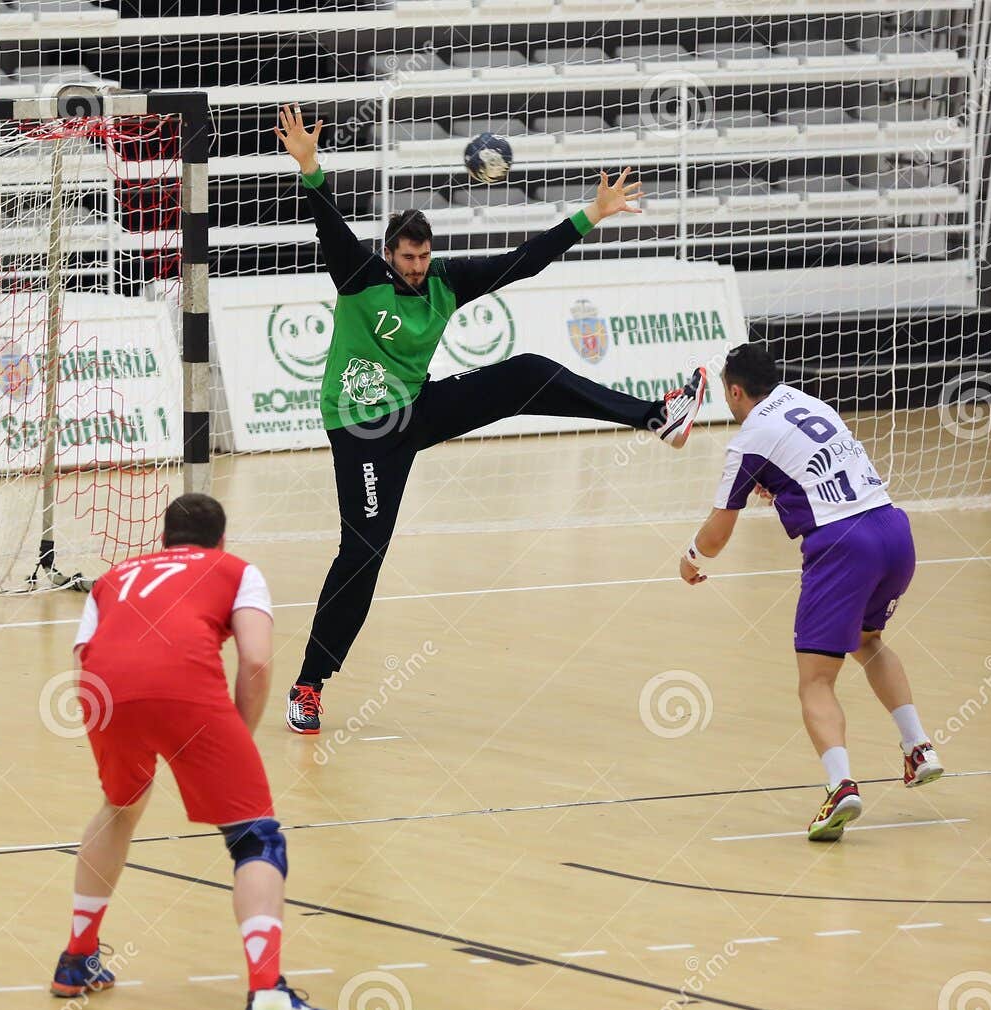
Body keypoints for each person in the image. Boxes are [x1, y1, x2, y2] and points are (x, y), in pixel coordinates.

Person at [272, 104, 707, 735]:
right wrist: (309, 165)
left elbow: (522, 261)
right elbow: (327, 222)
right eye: (407, 258)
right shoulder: (361, 276)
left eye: (423, 257)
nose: (416, 267)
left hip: (415, 411)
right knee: (362, 556)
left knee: (526, 371)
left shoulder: (446, 282)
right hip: (362, 433)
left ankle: (656, 417)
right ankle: (310, 683)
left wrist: (590, 213)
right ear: (389, 253)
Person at [51, 492, 337, 1010]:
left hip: (102, 693)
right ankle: (269, 998)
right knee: (256, 838)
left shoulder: (114, 577)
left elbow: (80, 659)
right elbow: (254, 657)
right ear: (221, 540)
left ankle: (77, 957)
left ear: (162, 541)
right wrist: (237, 737)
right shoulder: (235, 569)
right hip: (183, 691)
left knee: (119, 806)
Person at [678, 342, 944, 842]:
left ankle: (841, 786)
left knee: (816, 679)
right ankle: (919, 747)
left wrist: (690, 558)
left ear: (736, 392)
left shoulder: (749, 438)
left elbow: (718, 534)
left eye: (727, 398)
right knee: (868, 641)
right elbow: (816, 469)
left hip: (843, 546)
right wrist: (779, 487)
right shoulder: (808, 402)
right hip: (893, 530)